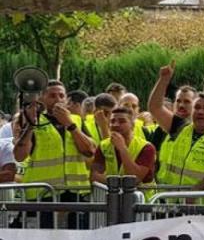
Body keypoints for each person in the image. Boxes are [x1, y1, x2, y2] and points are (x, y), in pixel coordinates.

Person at [12, 79, 97, 226]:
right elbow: (20, 155)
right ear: (41, 98)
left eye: (61, 96)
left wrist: (70, 125)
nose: (58, 99)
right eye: (52, 96)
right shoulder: (30, 119)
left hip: (75, 192)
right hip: (42, 195)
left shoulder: (76, 119)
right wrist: (30, 125)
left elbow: (90, 151)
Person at [148, 61, 204, 191]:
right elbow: (155, 107)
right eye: (197, 107)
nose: (200, 111)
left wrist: (194, 192)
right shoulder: (179, 126)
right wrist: (163, 80)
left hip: (203, 206)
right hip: (169, 201)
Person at [90, 107, 156, 191]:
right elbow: (94, 176)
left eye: (122, 121)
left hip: (141, 201)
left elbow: (135, 179)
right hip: (114, 200)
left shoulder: (147, 148)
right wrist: (118, 184)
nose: (115, 124)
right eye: (112, 121)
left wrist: (122, 148)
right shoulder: (103, 145)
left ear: (132, 125)